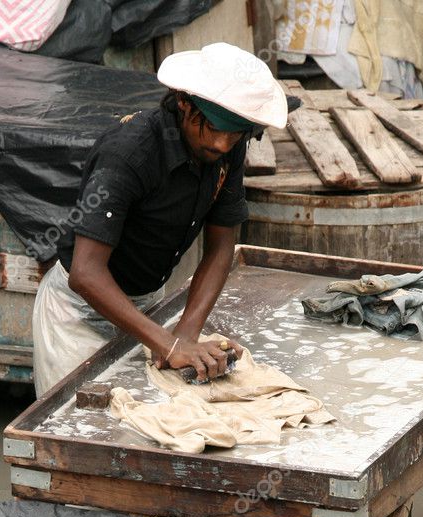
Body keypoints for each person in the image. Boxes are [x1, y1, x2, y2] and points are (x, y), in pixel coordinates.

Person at [32, 42, 288, 396]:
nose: (223, 145)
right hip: (78, 316)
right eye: (215, 129)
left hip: (147, 304)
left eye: (237, 134)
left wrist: (185, 333)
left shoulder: (227, 147)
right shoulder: (130, 152)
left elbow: (220, 249)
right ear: (184, 102)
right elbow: (85, 274)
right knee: (84, 426)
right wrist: (167, 344)